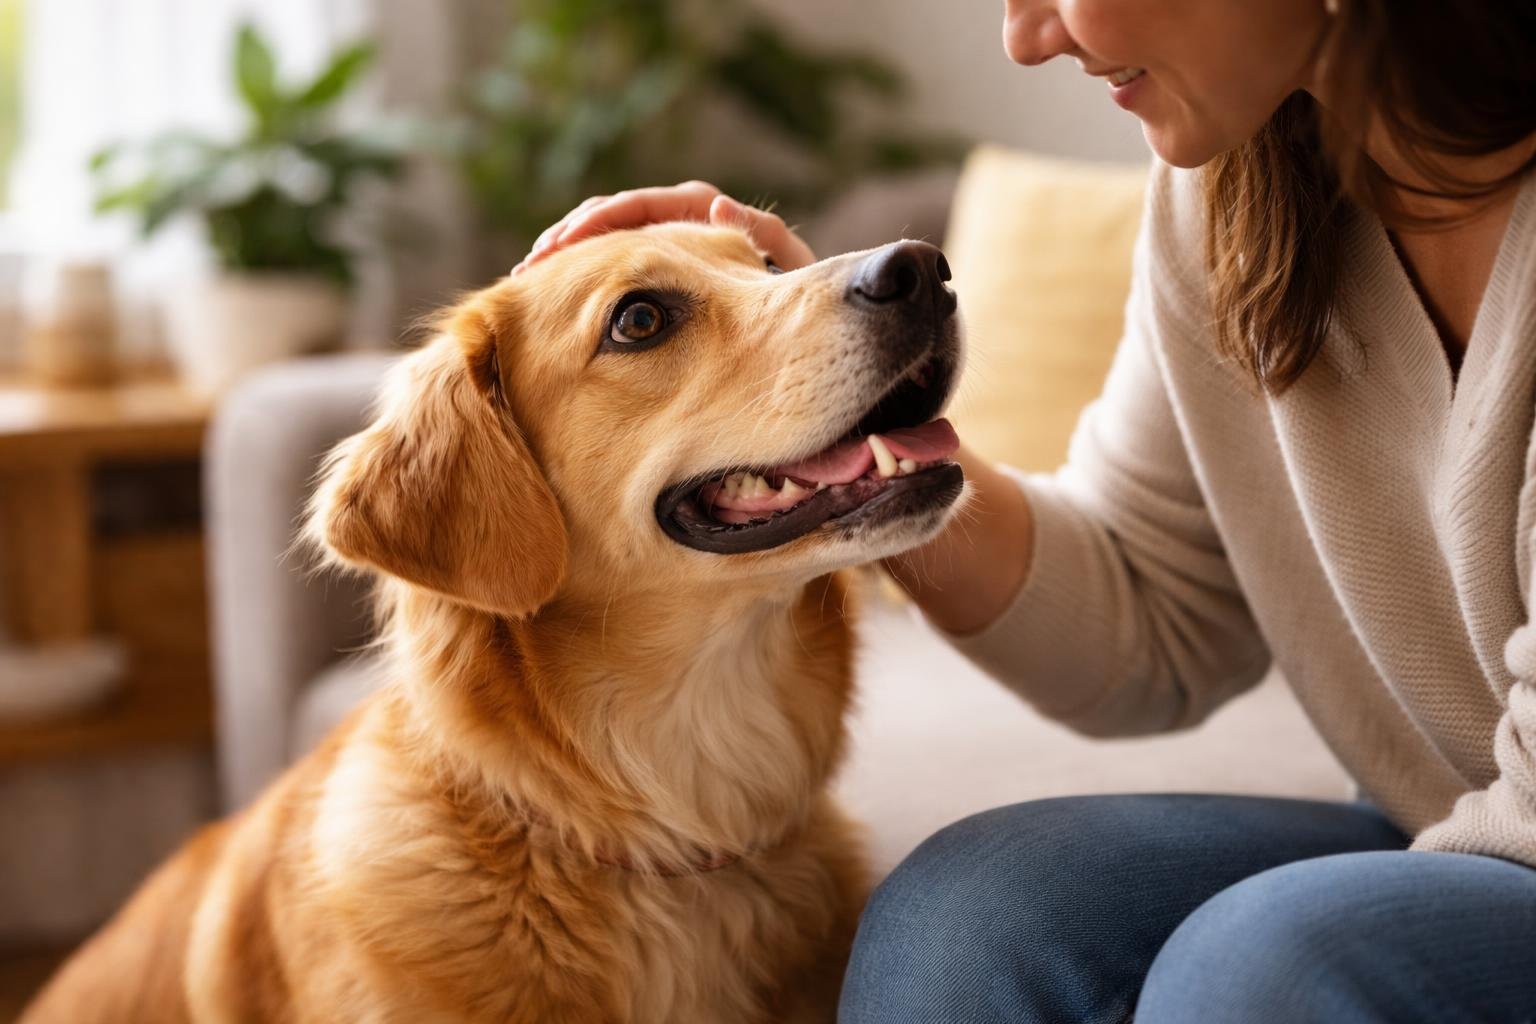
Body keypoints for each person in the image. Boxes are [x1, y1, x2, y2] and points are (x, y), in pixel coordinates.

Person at [518, 0, 1536, 1019]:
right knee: (965, 920)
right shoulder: (1230, 186)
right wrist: (840, 431)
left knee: (1267, 967)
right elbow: (1149, 610)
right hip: (1446, 816)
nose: (1027, 35)